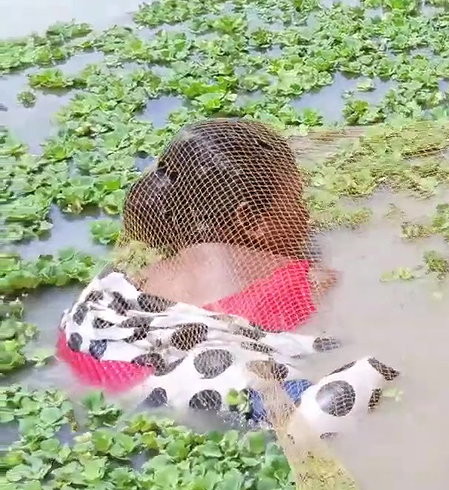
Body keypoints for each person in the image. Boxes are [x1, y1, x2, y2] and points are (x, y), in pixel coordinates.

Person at [57, 118, 395, 435]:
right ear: (250, 221)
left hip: (105, 383)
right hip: (221, 396)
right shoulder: (304, 283)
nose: (306, 215)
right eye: (295, 199)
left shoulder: (130, 277)